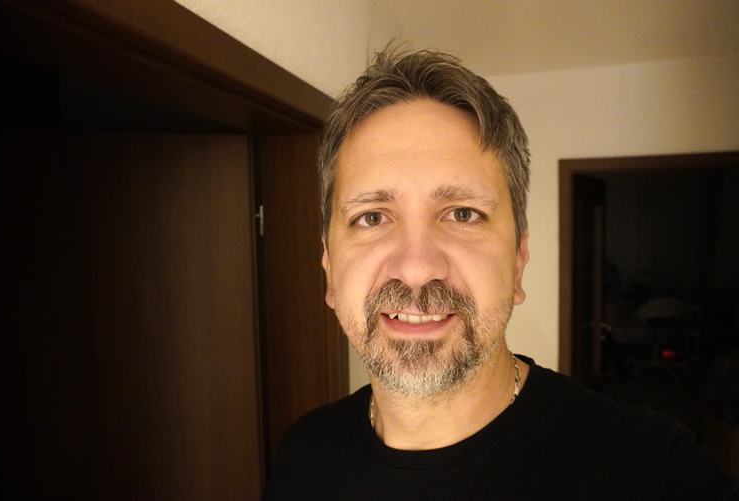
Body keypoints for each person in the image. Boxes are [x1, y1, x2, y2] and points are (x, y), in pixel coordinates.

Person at [262, 48, 738, 500]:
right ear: (329, 269)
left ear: (518, 261)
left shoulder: (653, 472)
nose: (416, 268)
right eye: (371, 217)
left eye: (462, 213)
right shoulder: (303, 457)